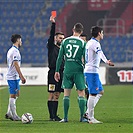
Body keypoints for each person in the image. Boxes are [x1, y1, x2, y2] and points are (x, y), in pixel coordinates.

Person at [54, 23, 87, 122]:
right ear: (81, 32)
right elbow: (85, 58)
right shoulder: (82, 43)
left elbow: (60, 58)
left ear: (73, 29)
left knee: (66, 94)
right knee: (81, 93)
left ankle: (65, 118)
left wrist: (56, 71)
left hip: (67, 69)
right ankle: (82, 117)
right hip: (78, 70)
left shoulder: (65, 41)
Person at [84, 26, 114, 124]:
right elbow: (99, 53)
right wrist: (107, 61)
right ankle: (91, 118)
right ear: (99, 33)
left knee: (100, 91)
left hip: (91, 71)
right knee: (93, 94)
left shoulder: (89, 42)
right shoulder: (94, 43)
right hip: (92, 71)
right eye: (102, 32)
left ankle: (88, 112)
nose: (103, 34)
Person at [47, 15, 65, 121]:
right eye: (60, 38)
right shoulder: (51, 47)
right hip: (53, 72)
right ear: (55, 38)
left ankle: (55, 115)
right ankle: (51, 116)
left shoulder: (63, 49)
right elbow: (51, 35)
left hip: (61, 73)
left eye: (63, 38)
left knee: (57, 94)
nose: (61, 40)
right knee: (51, 93)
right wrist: (53, 24)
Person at [5, 34, 26, 121]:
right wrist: (22, 77)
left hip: (14, 77)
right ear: (17, 40)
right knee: (13, 95)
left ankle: (9, 112)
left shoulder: (13, 50)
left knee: (17, 94)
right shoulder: (14, 51)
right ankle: (14, 115)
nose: (21, 42)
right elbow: (16, 64)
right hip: (13, 77)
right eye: (20, 40)